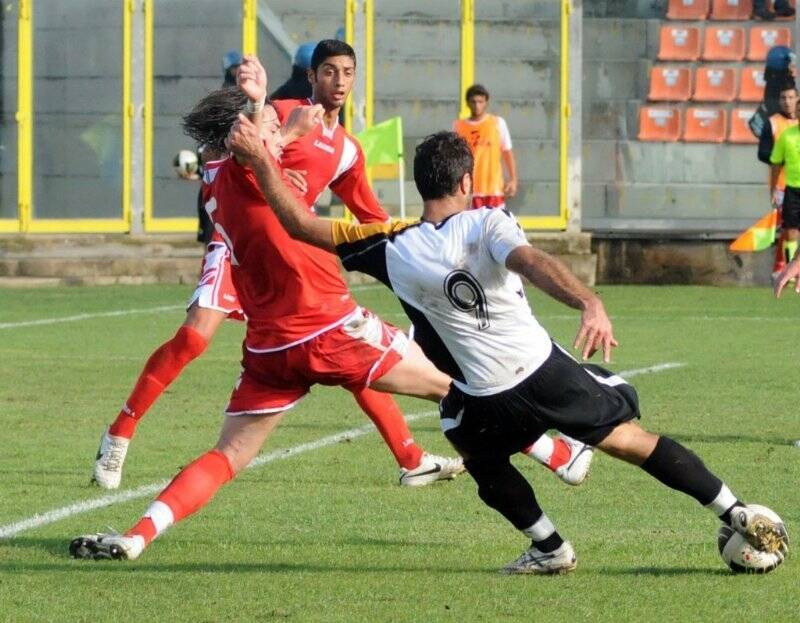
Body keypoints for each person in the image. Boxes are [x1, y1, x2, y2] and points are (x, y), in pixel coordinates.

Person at [235, 125, 788, 574]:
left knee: (471, 447)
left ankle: (549, 548)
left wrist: (261, 161)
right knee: (630, 441)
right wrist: (588, 302)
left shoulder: (389, 245)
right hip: (543, 372)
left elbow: (299, 223)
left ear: (421, 183)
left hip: (484, 395)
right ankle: (734, 510)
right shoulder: (488, 221)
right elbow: (530, 262)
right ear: (468, 181)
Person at [91, 54, 466, 492]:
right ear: (311, 76)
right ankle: (120, 433)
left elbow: (367, 212)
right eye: (328, 71)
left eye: (346, 73)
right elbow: (242, 156)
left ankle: (411, 456)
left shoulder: (347, 147)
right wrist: (277, 139)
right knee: (195, 337)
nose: (338, 81)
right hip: (235, 247)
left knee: (345, 348)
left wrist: (415, 242)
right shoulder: (283, 112)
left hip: (290, 254)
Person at [453, 84, 517, 210]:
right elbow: (454, 158)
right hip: (469, 190)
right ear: (468, 103)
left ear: (486, 102)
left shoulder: (497, 123)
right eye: (473, 101)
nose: (477, 105)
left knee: (495, 227)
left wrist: (513, 180)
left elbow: (507, 152)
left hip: (493, 189)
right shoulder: (458, 126)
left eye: (480, 101)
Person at [758, 81, 798, 277]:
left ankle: (781, 268)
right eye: (783, 98)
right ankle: (786, 268)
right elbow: (763, 153)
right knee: (790, 229)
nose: (787, 102)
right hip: (784, 187)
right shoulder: (773, 123)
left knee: (789, 229)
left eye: (791, 97)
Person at [770, 98, 800, 269]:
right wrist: (774, 188)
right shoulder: (787, 136)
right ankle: (791, 270)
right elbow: (776, 163)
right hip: (793, 190)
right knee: (790, 232)